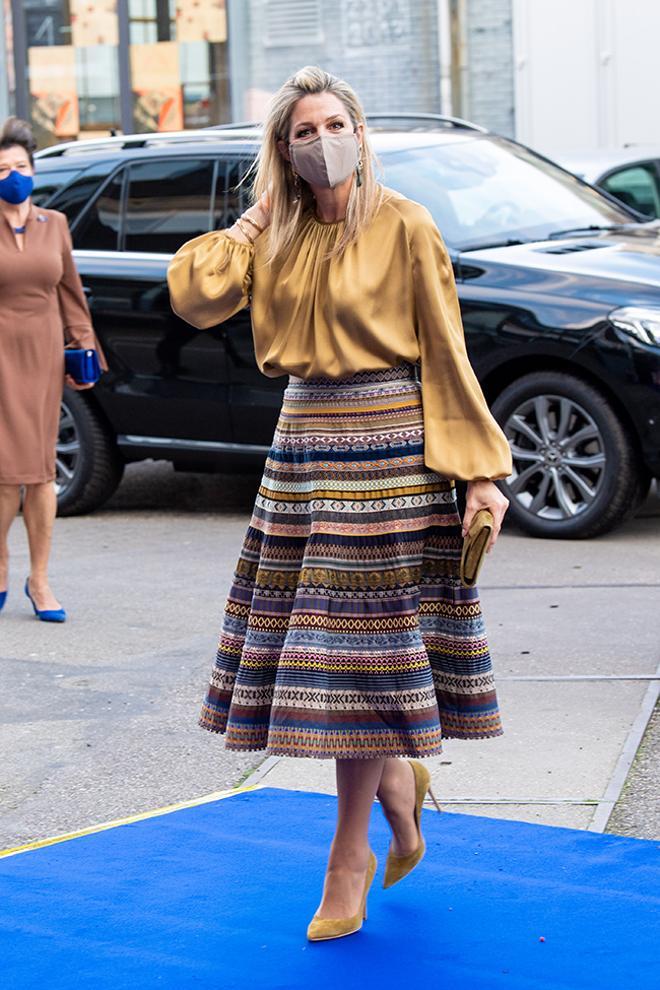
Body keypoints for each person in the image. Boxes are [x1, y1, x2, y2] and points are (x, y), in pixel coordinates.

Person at [168, 66, 511, 941]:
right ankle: (399, 786)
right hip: (304, 452)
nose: (323, 140)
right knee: (332, 654)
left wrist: (480, 474)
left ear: (359, 129)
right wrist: (256, 216)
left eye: (334, 123)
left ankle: (347, 855)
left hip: (392, 450)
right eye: (303, 130)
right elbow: (195, 296)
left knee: (356, 654)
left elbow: (447, 351)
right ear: (283, 148)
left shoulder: (406, 225)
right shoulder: (271, 235)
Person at [0, 117, 105, 623]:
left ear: (33, 170)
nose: (12, 174)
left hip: (41, 355)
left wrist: (83, 348)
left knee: (40, 473)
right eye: (2, 168)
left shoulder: (55, 224)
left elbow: (70, 295)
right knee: (3, 475)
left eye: (19, 165)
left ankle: (39, 578)